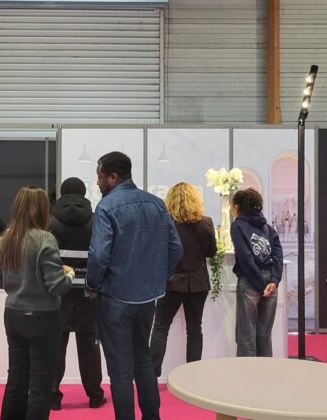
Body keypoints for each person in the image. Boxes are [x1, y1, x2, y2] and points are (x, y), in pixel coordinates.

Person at [86, 152, 183, 420]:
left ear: (113, 177)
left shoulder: (106, 207)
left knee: (120, 369)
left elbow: (98, 255)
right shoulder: (156, 204)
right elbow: (176, 248)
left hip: (114, 296)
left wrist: (92, 285)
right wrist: (160, 277)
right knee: (143, 360)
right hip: (148, 297)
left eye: (100, 177)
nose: (98, 182)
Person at [0, 186, 74, 420]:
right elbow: (57, 286)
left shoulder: (6, 239)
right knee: (40, 384)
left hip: (13, 314)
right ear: (42, 210)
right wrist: (68, 274)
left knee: (16, 380)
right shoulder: (45, 239)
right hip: (43, 317)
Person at [48, 177, 106, 411]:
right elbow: (101, 255)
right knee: (89, 347)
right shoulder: (95, 221)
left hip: (58, 292)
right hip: (88, 292)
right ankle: (95, 396)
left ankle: (52, 397)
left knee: (55, 346)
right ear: (83, 194)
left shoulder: (50, 221)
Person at [149, 182, 216, 376]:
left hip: (171, 282)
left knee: (160, 328)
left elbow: (157, 252)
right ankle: (192, 375)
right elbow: (211, 252)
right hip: (198, 282)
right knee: (194, 329)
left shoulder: (165, 223)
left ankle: (152, 374)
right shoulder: (207, 222)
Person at [230, 188, 283, 357]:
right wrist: (274, 281)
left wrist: (261, 285)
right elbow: (278, 254)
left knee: (246, 334)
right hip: (270, 284)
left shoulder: (238, 226)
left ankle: (247, 372)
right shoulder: (268, 228)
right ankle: (265, 371)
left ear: (237, 206)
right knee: (264, 334)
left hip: (251, 281)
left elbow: (245, 257)